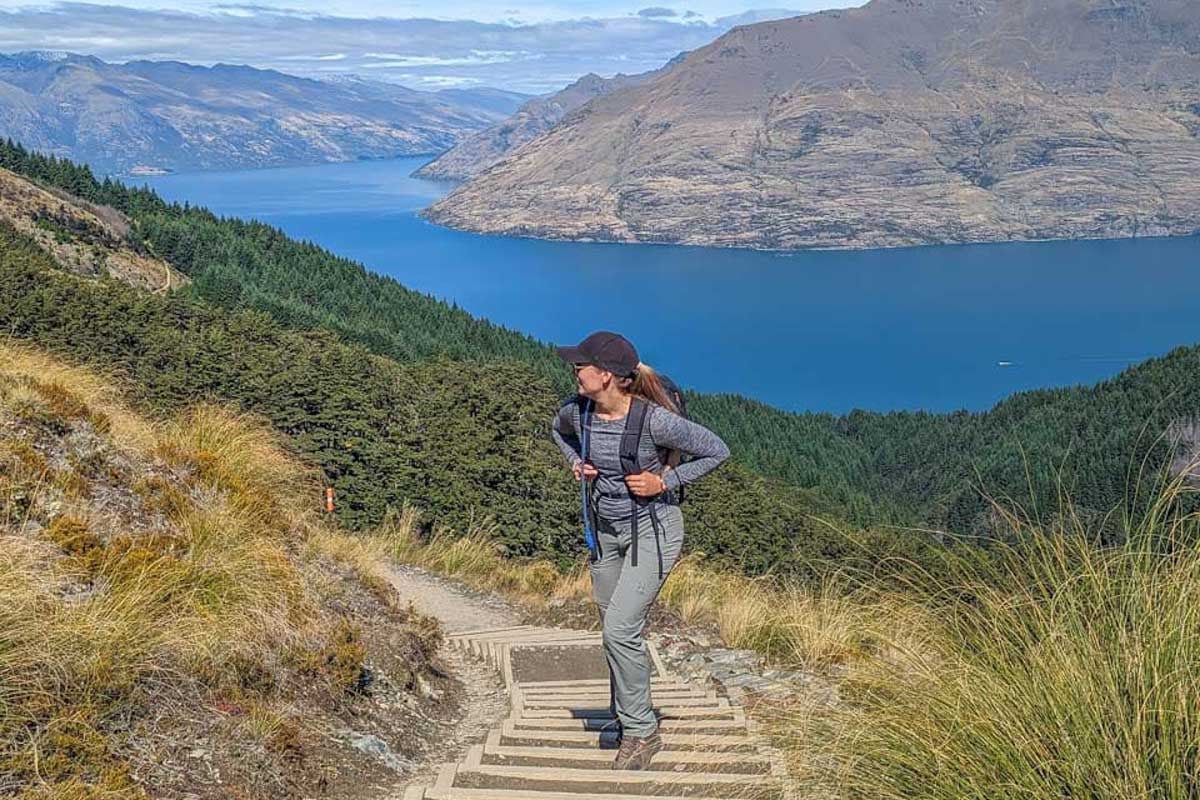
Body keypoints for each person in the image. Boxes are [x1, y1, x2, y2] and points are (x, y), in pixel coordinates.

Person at [550, 330, 731, 770]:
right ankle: (624, 715)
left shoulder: (655, 421)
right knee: (613, 629)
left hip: (653, 531)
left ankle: (642, 732)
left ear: (608, 376)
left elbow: (717, 450)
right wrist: (577, 462)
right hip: (605, 531)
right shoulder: (579, 411)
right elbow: (558, 432)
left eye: (582, 365)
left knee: (619, 629)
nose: (574, 370)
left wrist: (664, 482)